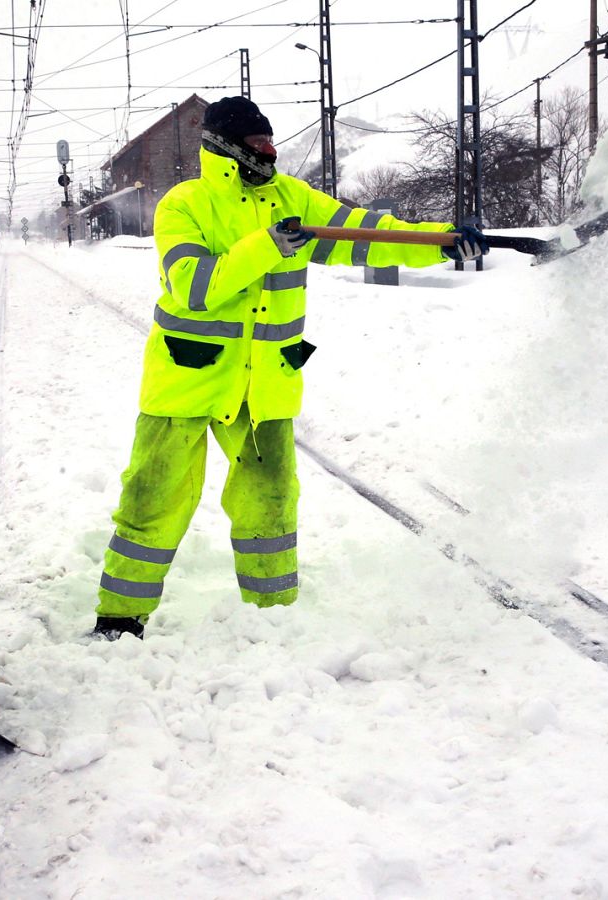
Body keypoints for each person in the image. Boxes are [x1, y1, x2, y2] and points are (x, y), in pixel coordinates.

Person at [92, 96, 489, 640]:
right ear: (225, 146)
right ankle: (119, 618)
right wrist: (269, 245)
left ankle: (272, 617)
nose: (270, 152)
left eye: (271, 142)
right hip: (187, 380)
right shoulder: (185, 204)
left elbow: (368, 234)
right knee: (152, 500)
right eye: (258, 144)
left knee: (271, 501)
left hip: (264, 386)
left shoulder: (292, 198)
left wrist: (443, 243)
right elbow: (194, 286)